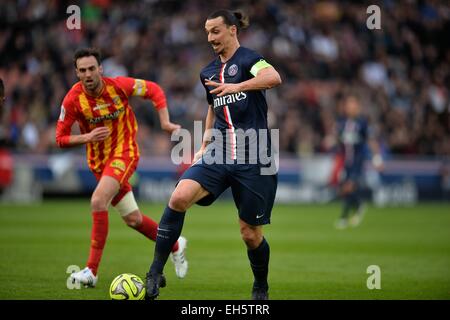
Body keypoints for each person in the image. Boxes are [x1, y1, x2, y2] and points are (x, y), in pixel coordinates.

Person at [145, 10, 282, 300]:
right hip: (219, 150)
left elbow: (274, 77)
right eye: (207, 33)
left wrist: (239, 85)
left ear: (232, 30)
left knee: (250, 234)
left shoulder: (249, 60)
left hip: (254, 153)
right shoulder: (207, 71)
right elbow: (213, 106)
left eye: (216, 31)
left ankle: (260, 286)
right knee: (179, 197)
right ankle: (155, 271)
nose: (210, 38)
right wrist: (204, 143)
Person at [55, 48, 188, 287]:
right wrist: (87, 138)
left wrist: (165, 121)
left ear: (100, 69)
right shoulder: (73, 100)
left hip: (124, 153)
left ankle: (91, 272)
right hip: (98, 163)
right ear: (76, 72)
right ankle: (176, 245)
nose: (88, 74)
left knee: (98, 201)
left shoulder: (118, 86)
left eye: (92, 68)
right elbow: (60, 139)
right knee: (133, 219)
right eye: (82, 70)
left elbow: (154, 90)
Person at [331, 94, 384, 229]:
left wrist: (377, 159)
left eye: (352, 105)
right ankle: (358, 205)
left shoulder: (362, 123)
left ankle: (344, 217)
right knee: (343, 191)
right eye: (348, 105)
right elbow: (339, 141)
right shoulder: (342, 123)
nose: (350, 108)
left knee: (348, 187)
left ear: (357, 107)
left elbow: (371, 141)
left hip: (357, 161)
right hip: (346, 162)